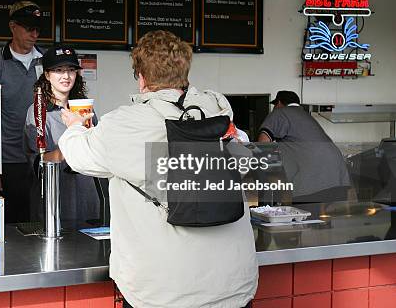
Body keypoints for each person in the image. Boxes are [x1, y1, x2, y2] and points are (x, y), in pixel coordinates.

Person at [58, 31, 258, 308]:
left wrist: (75, 127)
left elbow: (80, 157)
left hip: (163, 294)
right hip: (234, 286)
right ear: (185, 70)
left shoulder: (126, 123)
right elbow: (244, 156)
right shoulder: (218, 109)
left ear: (141, 77)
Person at [0, 1, 44, 223]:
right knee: (13, 223)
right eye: (28, 28)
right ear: (12, 26)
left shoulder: (47, 63)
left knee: (40, 218)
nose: (34, 34)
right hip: (9, 159)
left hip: (42, 157)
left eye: (37, 28)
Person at [23, 46, 101, 228]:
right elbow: (40, 162)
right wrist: (75, 133)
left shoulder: (86, 110)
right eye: (59, 70)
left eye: (71, 70)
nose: (66, 76)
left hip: (88, 201)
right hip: (55, 204)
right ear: (47, 75)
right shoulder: (37, 112)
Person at [258, 90, 351, 203]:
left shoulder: (280, 112)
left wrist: (268, 174)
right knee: (327, 219)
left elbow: (263, 143)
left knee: (303, 216)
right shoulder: (307, 116)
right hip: (338, 176)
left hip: (311, 181)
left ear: (278, 103)